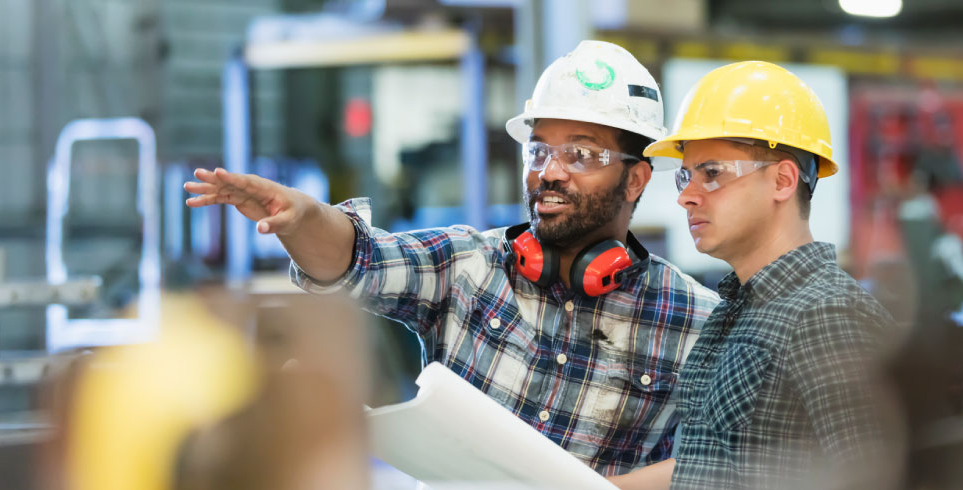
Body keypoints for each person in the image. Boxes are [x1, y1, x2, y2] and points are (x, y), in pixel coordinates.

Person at [184, 40, 719, 476]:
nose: (550, 171)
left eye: (580, 153)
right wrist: (301, 218)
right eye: (539, 150)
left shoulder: (695, 321)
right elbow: (357, 258)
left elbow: (713, 466)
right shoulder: (468, 265)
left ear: (637, 177)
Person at [607, 61, 906, 489]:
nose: (687, 197)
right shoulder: (737, 313)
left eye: (712, 174)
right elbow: (708, 467)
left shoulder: (827, 316)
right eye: (687, 176)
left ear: (783, 181)